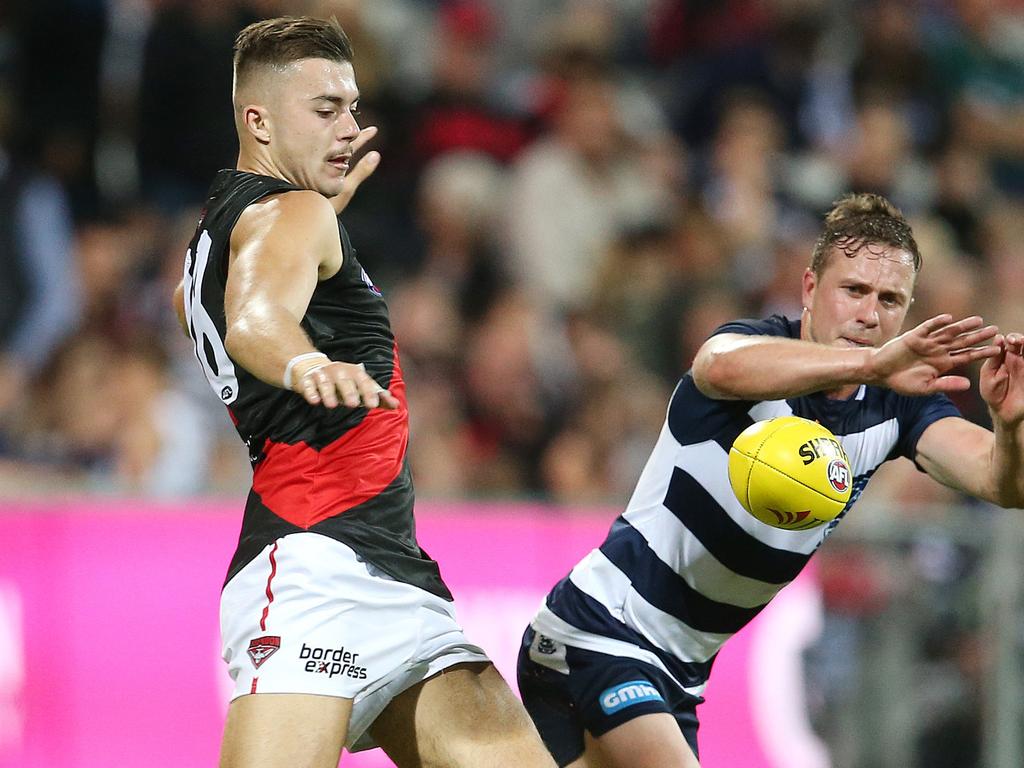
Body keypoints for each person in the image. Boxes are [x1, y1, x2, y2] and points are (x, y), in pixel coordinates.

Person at [516, 192, 1024, 768]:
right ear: (810, 289)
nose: (869, 314)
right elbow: (715, 366)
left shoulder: (898, 408)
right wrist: (870, 365)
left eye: (890, 300)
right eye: (853, 290)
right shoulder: (754, 352)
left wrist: (1010, 426)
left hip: (678, 676)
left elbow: (1000, 483)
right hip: (600, 630)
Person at [171, 17, 555, 768]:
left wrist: (328, 220)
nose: (349, 126)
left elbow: (262, 281)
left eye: (351, 105)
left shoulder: (230, 224)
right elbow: (256, 320)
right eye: (324, 109)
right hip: (316, 561)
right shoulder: (292, 213)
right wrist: (305, 362)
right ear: (258, 119)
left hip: (394, 574)